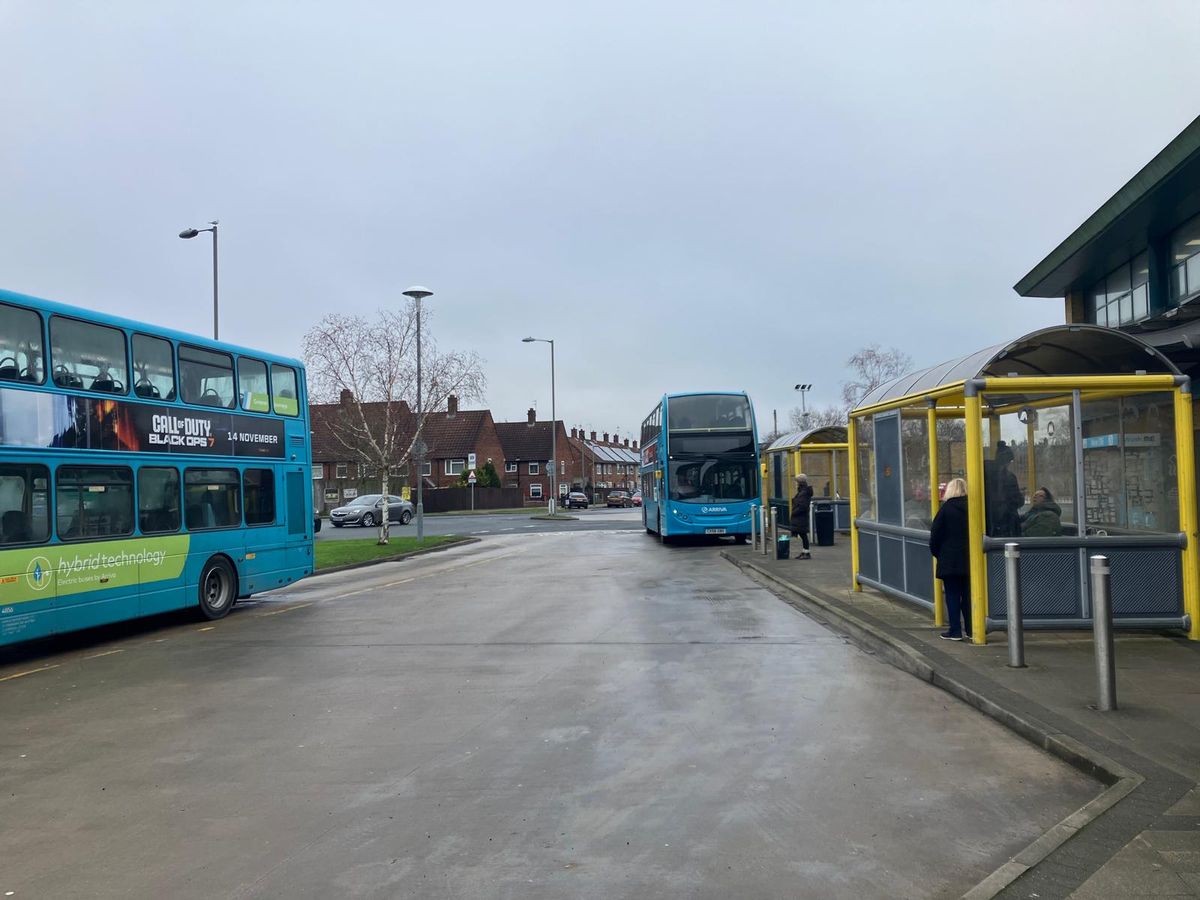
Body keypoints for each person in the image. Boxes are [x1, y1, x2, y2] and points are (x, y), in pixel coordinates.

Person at [929, 477, 971, 640]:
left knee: (952, 595)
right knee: (968, 595)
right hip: (970, 559)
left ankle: (955, 631)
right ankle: (972, 630)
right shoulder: (973, 507)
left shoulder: (946, 509)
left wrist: (938, 554)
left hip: (950, 559)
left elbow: (935, 535)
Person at [983, 441, 1023, 537]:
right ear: (1007, 461)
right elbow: (1015, 500)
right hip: (1005, 523)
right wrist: (1021, 497)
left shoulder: (983, 471)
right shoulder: (1009, 477)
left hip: (986, 520)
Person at [790, 473, 813, 559]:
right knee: (802, 534)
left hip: (800, 516)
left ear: (800, 482)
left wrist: (794, 512)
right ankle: (804, 551)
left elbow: (802, 506)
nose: (796, 483)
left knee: (803, 534)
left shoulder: (803, 493)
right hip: (801, 516)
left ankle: (806, 552)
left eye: (797, 482)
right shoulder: (803, 491)